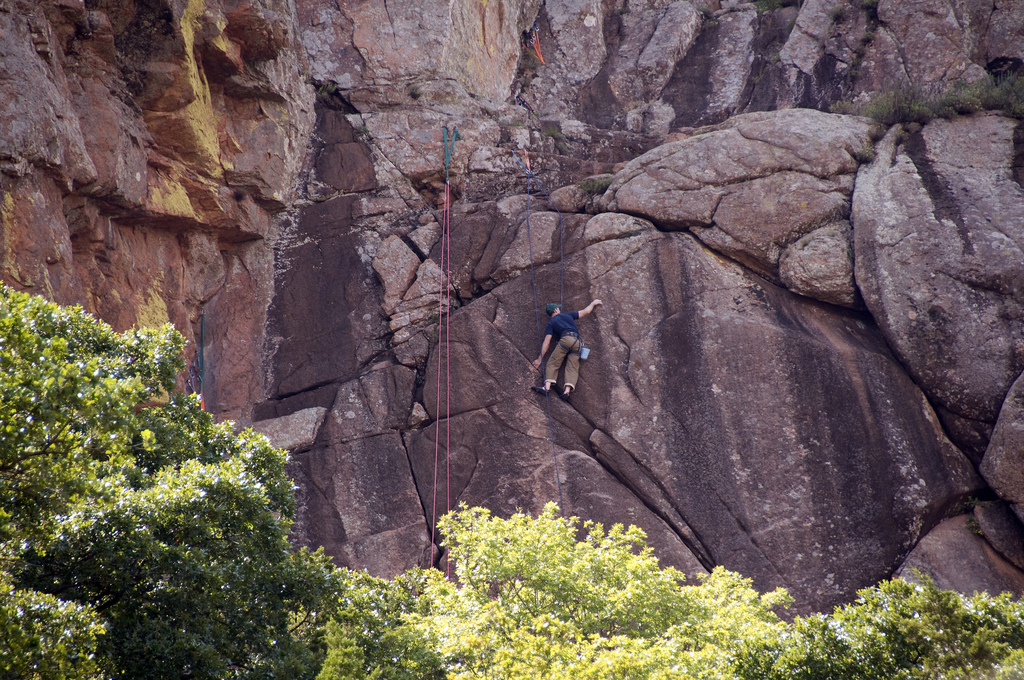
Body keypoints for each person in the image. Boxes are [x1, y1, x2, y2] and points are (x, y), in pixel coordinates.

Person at [531, 299, 602, 401]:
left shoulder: (551, 323)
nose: (559, 309)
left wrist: (539, 359)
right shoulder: (568, 315)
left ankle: (546, 388)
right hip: (577, 342)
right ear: (555, 310)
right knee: (572, 366)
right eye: (558, 308)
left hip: (566, 340)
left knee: (553, 363)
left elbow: (547, 342)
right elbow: (586, 311)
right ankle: (567, 392)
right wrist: (593, 303)